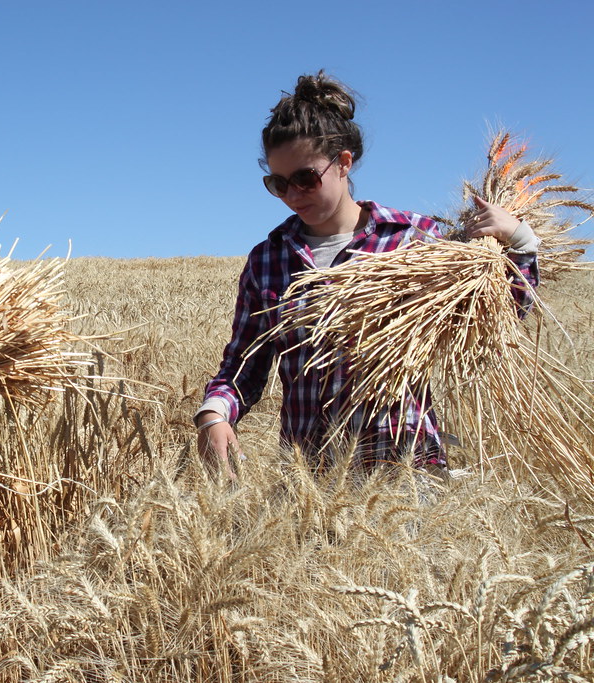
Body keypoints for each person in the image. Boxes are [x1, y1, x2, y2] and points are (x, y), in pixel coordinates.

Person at [195, 71, 539, 475]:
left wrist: (521, 243)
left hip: (407, 475)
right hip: (310, 482)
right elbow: (243, 366)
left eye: (305, 179)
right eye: (278, 183)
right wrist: (214, 413)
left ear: (344, 163)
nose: (292, 195)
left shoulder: (413, 240)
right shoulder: (268, 261)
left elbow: (491, 318)